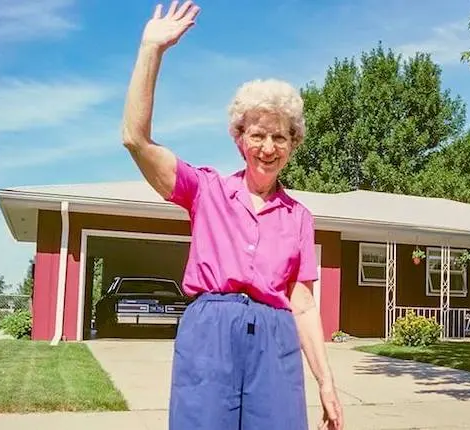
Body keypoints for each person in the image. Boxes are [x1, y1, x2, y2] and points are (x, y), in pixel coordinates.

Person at [120, 2, 343, 429]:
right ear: (239, 138)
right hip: (210, 334)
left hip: (275, 341)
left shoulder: (299, 216)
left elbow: (304, 305)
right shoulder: (205, 190)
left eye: (280, 137)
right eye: (257, 134)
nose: (268, 147)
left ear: (293, 144)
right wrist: (151, 50)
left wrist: (326, 384)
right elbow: (135, 139)